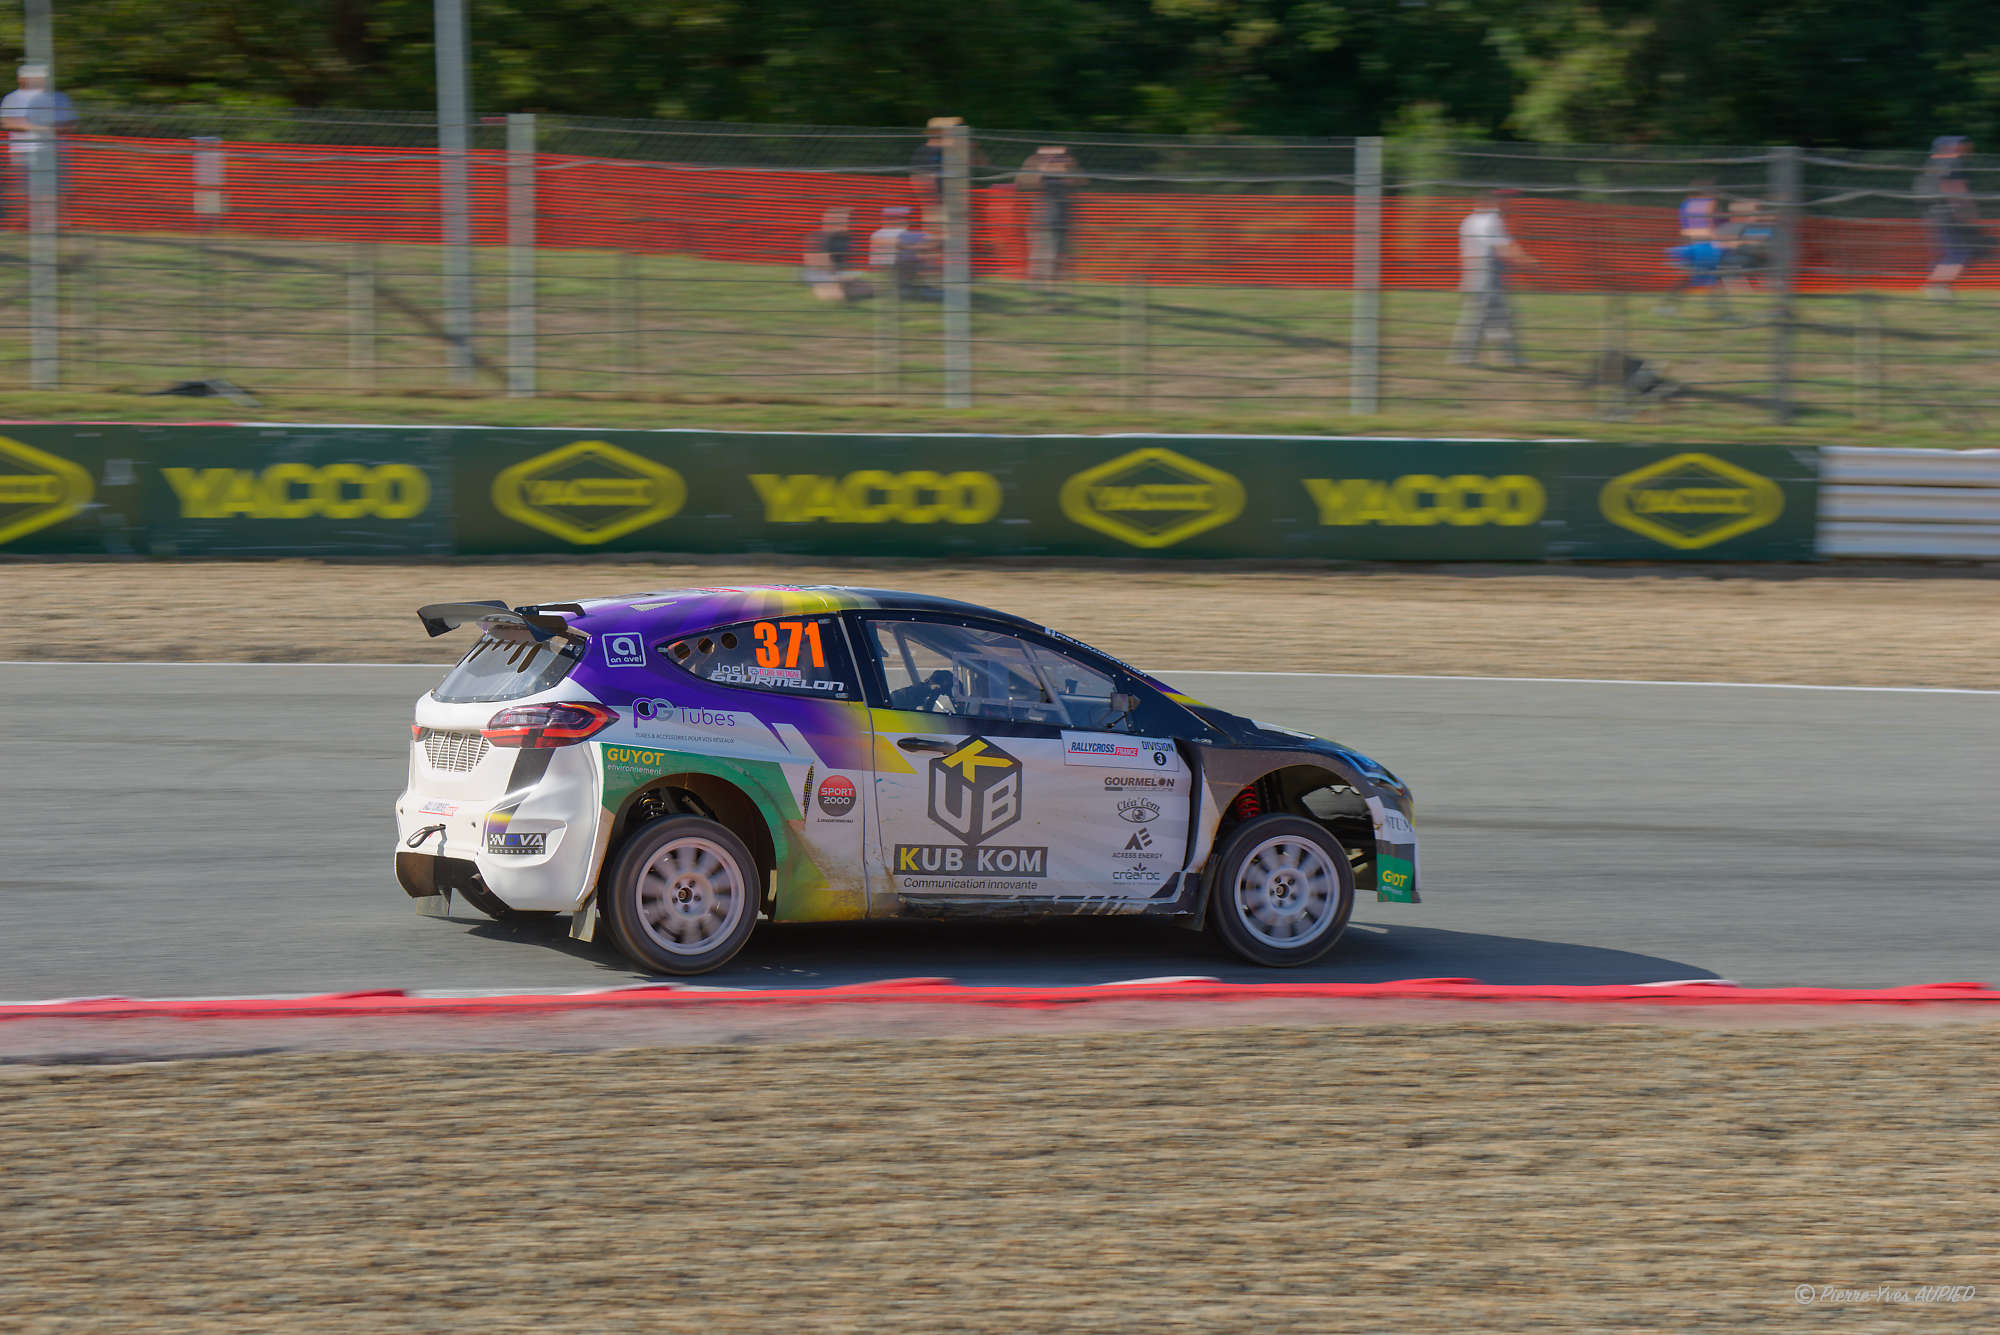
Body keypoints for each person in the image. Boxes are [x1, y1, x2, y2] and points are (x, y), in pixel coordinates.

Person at [1451, 189, 1539, 366]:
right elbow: (1503, 246)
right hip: (1487, 272)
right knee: (1487, 317)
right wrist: (1527, 261)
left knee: (1490, 317)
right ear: (1492, 201)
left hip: (1476, 270)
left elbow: (1468, 251)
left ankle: (1504, 357)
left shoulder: (1468, 220)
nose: (1510, 204)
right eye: (1506, 200)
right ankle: (1469, 358)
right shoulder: (1491, 220)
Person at [0, 63, 75, 222]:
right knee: (26, 190)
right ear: (22, 79)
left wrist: (33, 126)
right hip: (24, 151)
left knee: (56, 190)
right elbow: (9, 123)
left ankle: (55, 224)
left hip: (55, 151)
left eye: (41, 76)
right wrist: (44, 127)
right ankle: (26, 225)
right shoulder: (13, 98)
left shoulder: (59, 98)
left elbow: (70, 124)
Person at [1917, 136, 1989, 299]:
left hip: (1935, 213)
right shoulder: (1953, 162)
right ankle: (1936, 287)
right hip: (1951, 214)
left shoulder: (1933, 163)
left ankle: (1938, 286)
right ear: (1950, 146)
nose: (1968, 147)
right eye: (1962, 144)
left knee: (1952, 251)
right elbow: (1955, 189)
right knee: (1959, 251)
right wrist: (1968, 214)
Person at [1016, 145, 1086, 283]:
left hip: (1063, 216)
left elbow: (1083, 180)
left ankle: (1056, 283)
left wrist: (1068, 175)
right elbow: (1021, 182)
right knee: (1042, 253)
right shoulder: (1034, 161)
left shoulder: (1068, 162)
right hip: (1041, 217)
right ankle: (1040, 284)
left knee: (1061, 253)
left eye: (1057, 155)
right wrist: (1041, 176)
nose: (1053, 158)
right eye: (1048, 155)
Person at [802, 208, 870, 302]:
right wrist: (837, 276)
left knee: (867, 288)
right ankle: (828, 291)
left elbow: (848, 262)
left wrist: (847, 275)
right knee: (842, 290)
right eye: (847, 220)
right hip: (819, 273)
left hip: (837, 273)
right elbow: (815, 263)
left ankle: (842, 290)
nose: (850, 223)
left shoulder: (845, 237)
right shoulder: (819, 237)